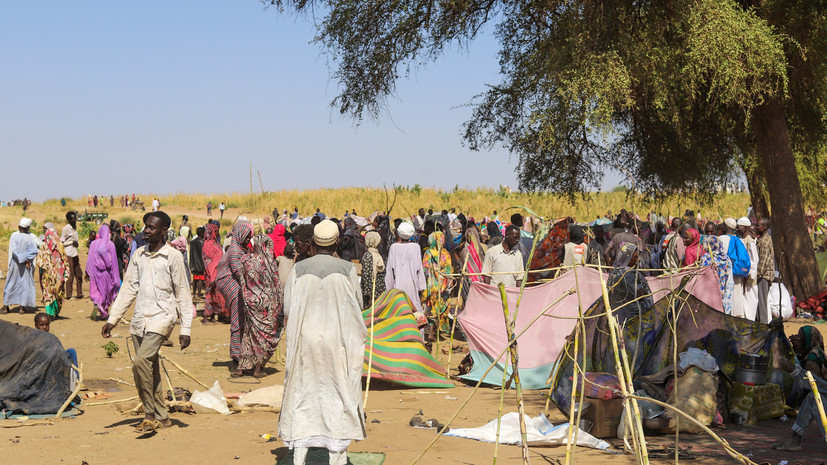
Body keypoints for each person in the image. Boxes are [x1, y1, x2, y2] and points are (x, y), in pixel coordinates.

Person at [279, 220, 367, 465]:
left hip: (305, 342)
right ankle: (337, 458)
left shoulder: (299, 269)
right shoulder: (348, 269)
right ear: (337, 242)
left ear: (314, 242)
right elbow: (357, 307)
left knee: (303, 393)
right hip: (337, 344)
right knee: (339, 395)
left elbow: (288, 308)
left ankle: (299, 458)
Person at [101, 211, 193, 433]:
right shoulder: (139, 255)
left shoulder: (173, 256)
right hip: (140, 319)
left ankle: (149, 414)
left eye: (152, 228)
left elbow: (182, 292)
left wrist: (185, 327)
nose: (146, 231)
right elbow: (129, 288)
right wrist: (112, 319)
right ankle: (163, 416)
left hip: (162, 318)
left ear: (163, 231)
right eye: (146, 227)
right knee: (149, 369)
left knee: (141, 362)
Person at [236, 234, 282, 378]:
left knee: (249, 335)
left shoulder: (244, 259)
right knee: (267, 335)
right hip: (266, 305)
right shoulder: (269, 262)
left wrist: (246, 296)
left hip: (249, 302)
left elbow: (241, 280)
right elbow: (276, 286)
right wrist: (279, 304)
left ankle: (243, 366)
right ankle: (258, 368)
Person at [216, 222, 253, 367]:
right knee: (238, 319)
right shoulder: (235, 250)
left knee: (240, 318)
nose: (248, 240)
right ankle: (237, 355)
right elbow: (238, 271)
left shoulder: (239, 248)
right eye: (246, 236)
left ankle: (239, 353)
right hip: (232, 286)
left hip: (234, 285)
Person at [385, 222, 427, 316]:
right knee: (414, 312)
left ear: (399, 234)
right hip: (412, 285)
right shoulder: (415, 247)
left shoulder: (393, 247)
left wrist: (389, 289)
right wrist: (422, 288)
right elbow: (419, 269)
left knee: (399, 311)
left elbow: (389, 272)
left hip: (398, 286)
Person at [608, 242, 653, 324]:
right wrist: (643, 290)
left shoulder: (614, 272)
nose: (637, 260)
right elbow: (638, 293)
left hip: (618, 316)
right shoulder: (627, 274)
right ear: (627, 258)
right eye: (635, 257)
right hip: (631, 317)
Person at [1, 218, 39, 314]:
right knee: (24, 284)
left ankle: (5, 307)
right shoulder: (30, 238)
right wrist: (26, 260)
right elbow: (34, 251)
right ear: (28, 228)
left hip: (15, 264)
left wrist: (22, 259)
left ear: (19, 227)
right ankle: (21, 308)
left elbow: (15, 252)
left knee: (11, 283)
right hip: (25, 266)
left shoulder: (14, 236)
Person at [86, 224, 121, 321]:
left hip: (95, 272)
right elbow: (114, 263)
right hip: (106, 273)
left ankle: (97, 303)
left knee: (97, 290)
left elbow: (90, 259)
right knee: (106, 293)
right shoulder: (110, 244)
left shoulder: (93, 244)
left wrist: (89, 273)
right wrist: (116, 277)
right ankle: (104, 312)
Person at [422, 231, 453, 335]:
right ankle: (441, 329)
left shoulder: (427, 253)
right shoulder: (446, 254)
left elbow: (425, 269)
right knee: (442, 307)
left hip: (431, 285)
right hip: (442, 286)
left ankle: (431, 332)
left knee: (431, 307)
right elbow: (449, 271)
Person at [36, 223, 69, 318]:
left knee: (58, 292)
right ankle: (50, 313)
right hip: (47, 278)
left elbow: (65, 263)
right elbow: (40, 261)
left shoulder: (60, 250)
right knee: (48, 293)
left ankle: (56, 311)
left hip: (58, 277)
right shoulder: (44, 248)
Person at [202, 223, 227, 323]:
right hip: (210, 274)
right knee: (209, 294)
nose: (217, 233)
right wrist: (212, 276)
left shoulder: (216, 243)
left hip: (218, 273)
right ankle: (205, 316)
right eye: (215, 231)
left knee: (216, 294)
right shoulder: (207, 244)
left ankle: (213, 315)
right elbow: (208, 261)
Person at [737, 217, 760, 320]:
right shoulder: (741, 240)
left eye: (739, 227)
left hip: (749, 278)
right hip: (743, 275)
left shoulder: (750, 242)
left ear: (746, 228)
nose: (737, 229)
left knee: (750, 303)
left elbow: (754, 261)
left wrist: (749, 274)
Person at [360, 231, 387, 309]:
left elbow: (366, 276)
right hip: (374, 294)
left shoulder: (369, 255)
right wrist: (369, 296)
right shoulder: (373, 255)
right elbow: (367, 276)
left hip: (374, 294)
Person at [756, 217, 775, 324]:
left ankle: (763, 325)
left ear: (765, 227)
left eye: (759, 225)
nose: (757, 227)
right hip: (763, 276)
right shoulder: (763, 239)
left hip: (763, 277)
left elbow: (764, 261)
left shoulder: (764, 241)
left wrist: (757, 275)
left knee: (762, 302)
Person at [61, 211, 83, 299]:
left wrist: (76, 243)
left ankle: (79, 293)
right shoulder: (66, 229)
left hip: (75, 253)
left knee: (79, 274)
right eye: (74, 219)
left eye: (76, 219)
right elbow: (61, 243)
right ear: (69, 220)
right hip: (68, 253)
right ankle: (69, 295)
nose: (75, 220)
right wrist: (71, 242)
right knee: (70, 275)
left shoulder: (75, 227)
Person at [189, 227, 206, 298]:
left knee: (195, 279)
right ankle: (198, 295)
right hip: (200, 264)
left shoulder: (192, 242)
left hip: (193, 263)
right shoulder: (203, 243)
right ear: (202, 234)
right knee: (200, 280)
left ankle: (193, 294)